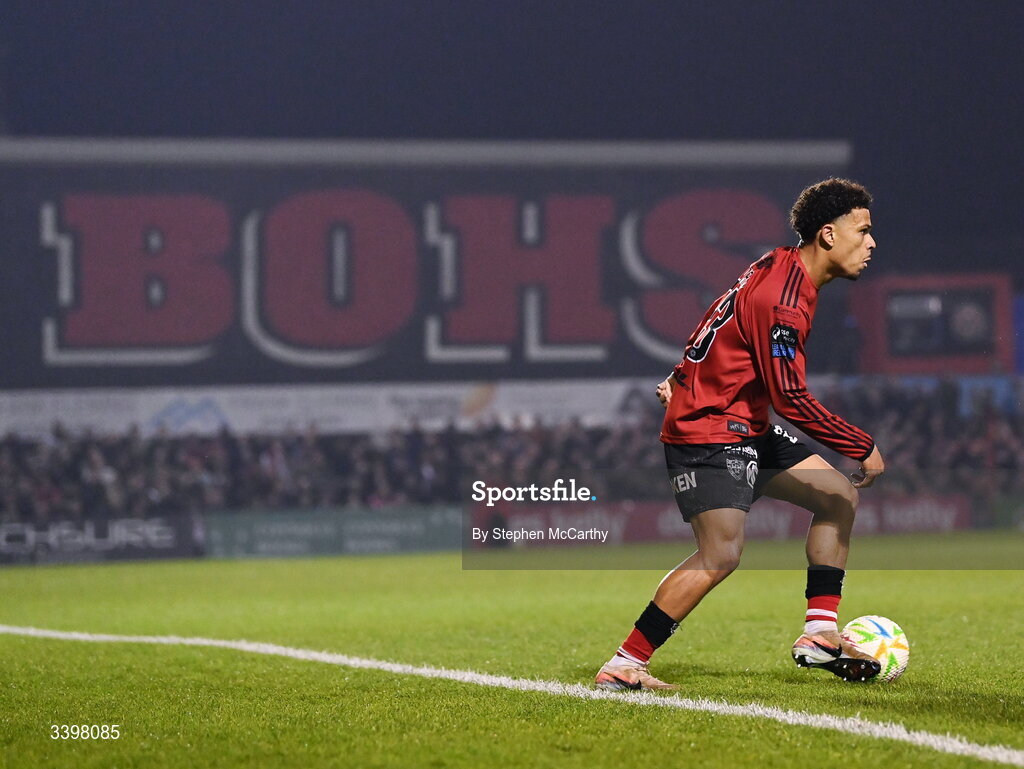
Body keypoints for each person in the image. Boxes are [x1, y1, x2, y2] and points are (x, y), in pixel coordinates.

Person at [595, 178, 885, 690]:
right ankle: (625, 663)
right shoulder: (785, 300)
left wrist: (682, 371)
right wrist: (861, 445)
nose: (871, 243)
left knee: (837, 497)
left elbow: (720, 316)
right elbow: (790, 397)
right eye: (862, 231)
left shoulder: (775, 264)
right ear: (827, 235)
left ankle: (819, 633)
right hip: (709, 428)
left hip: (743, 420)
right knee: (721, 554)